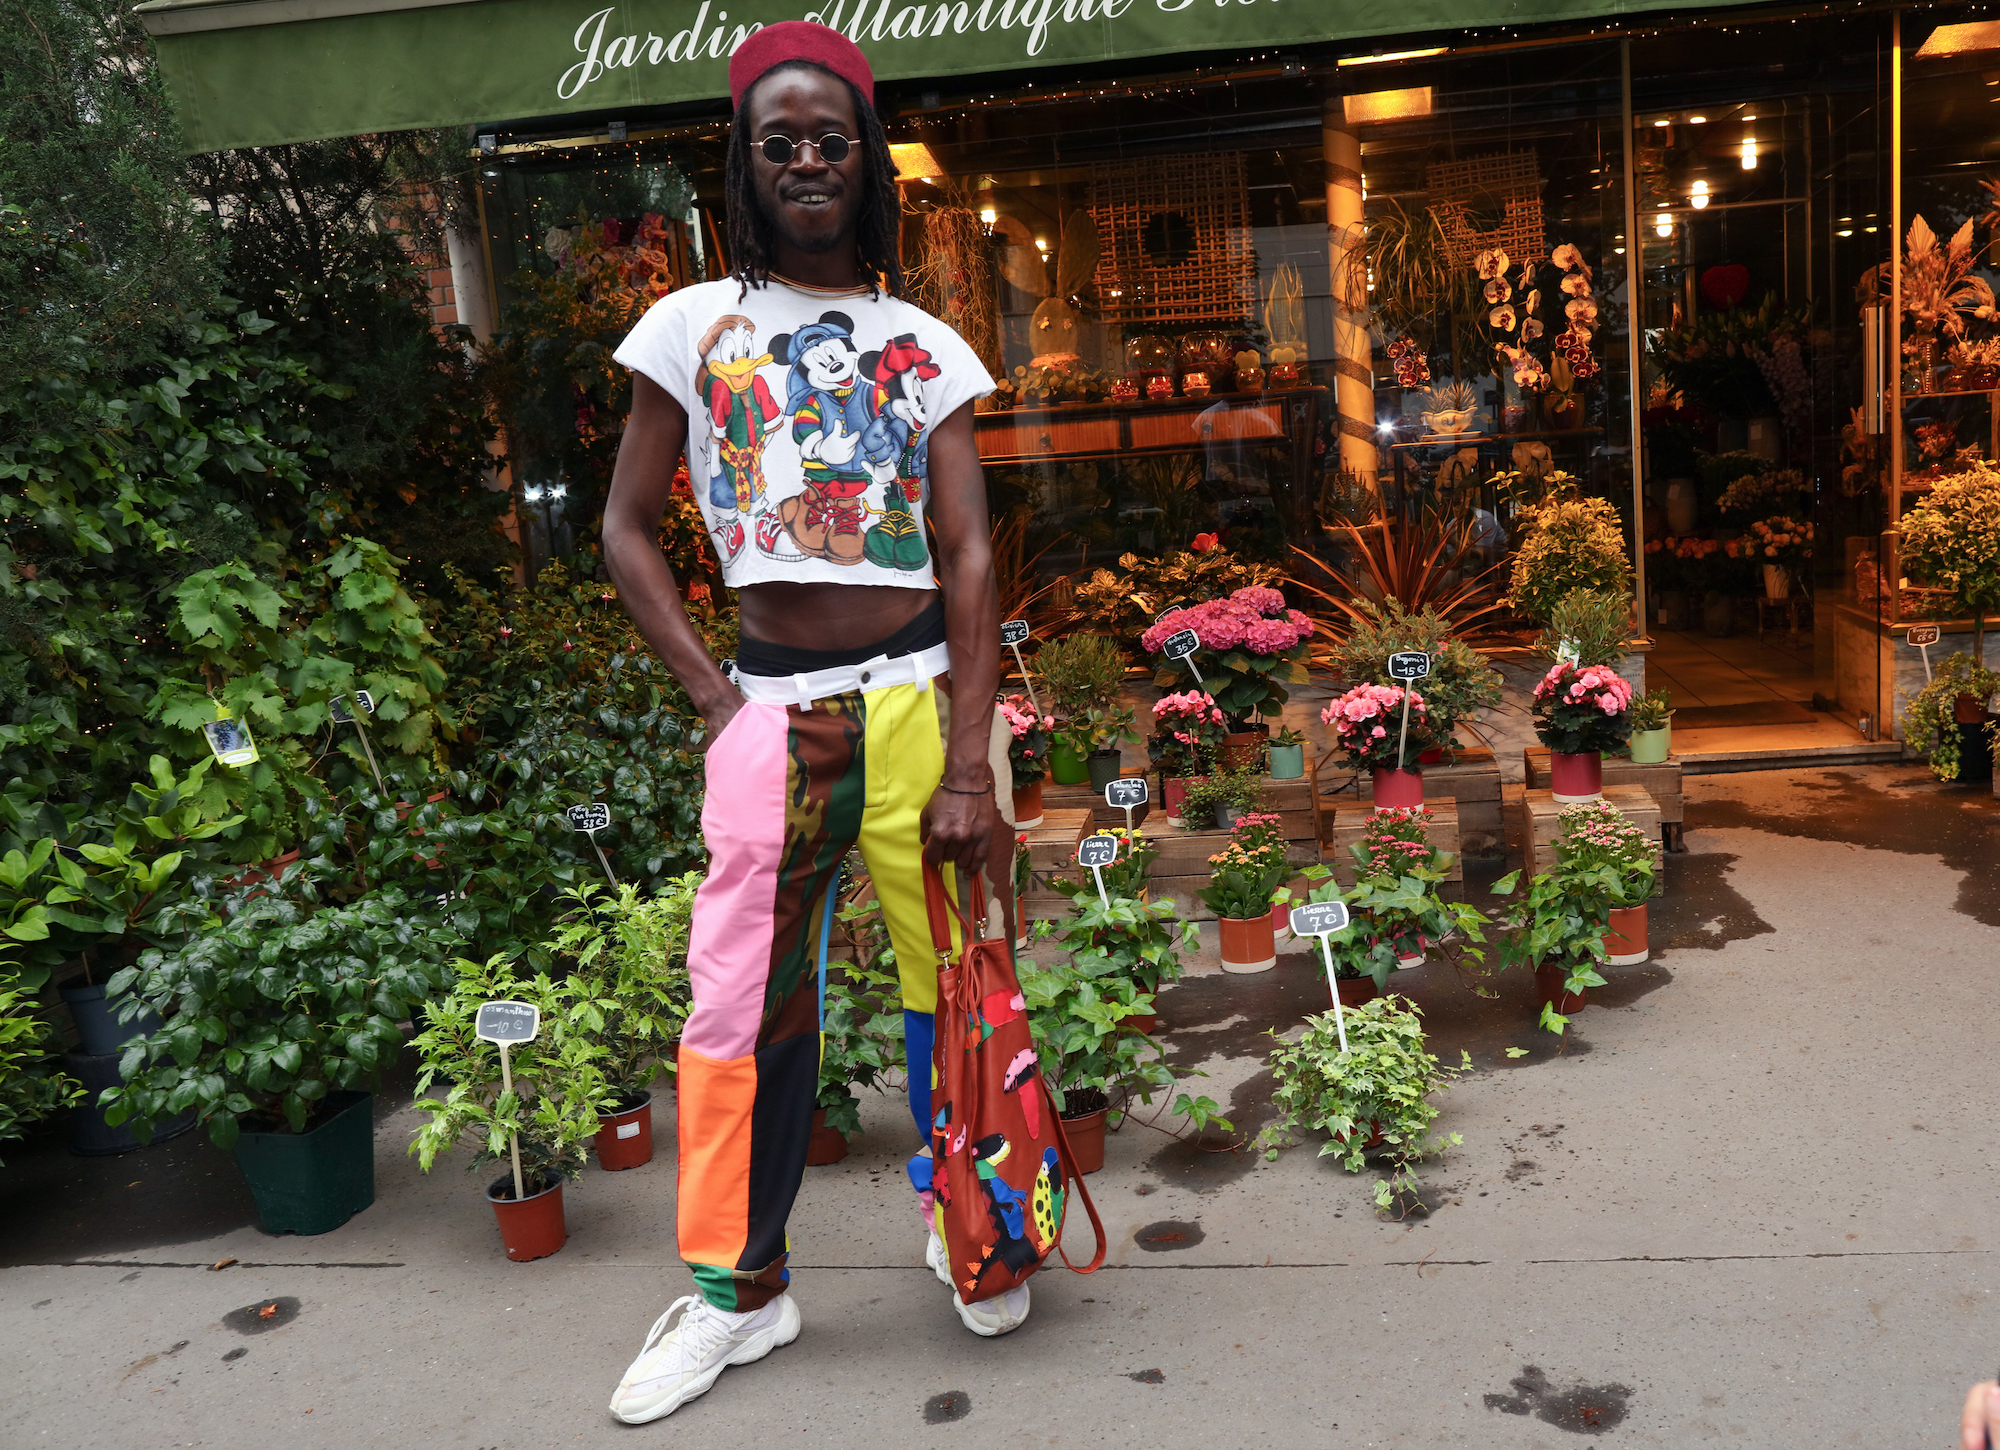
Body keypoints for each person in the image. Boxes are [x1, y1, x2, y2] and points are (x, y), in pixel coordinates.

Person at [597, 21, 1022, 1426]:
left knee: (954, 978)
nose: (805, 162)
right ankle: (741, 1291)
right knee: (737, 1015)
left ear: (867, 157)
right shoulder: (689, 328)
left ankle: (972, 1222)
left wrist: (970, 758)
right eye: (778, 141)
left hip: (916, 708)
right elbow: (625, 533)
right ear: (743, 159)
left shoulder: (924, 345)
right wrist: (717, 703)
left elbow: (968, 557)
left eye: (830, 139)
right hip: (768, 714)